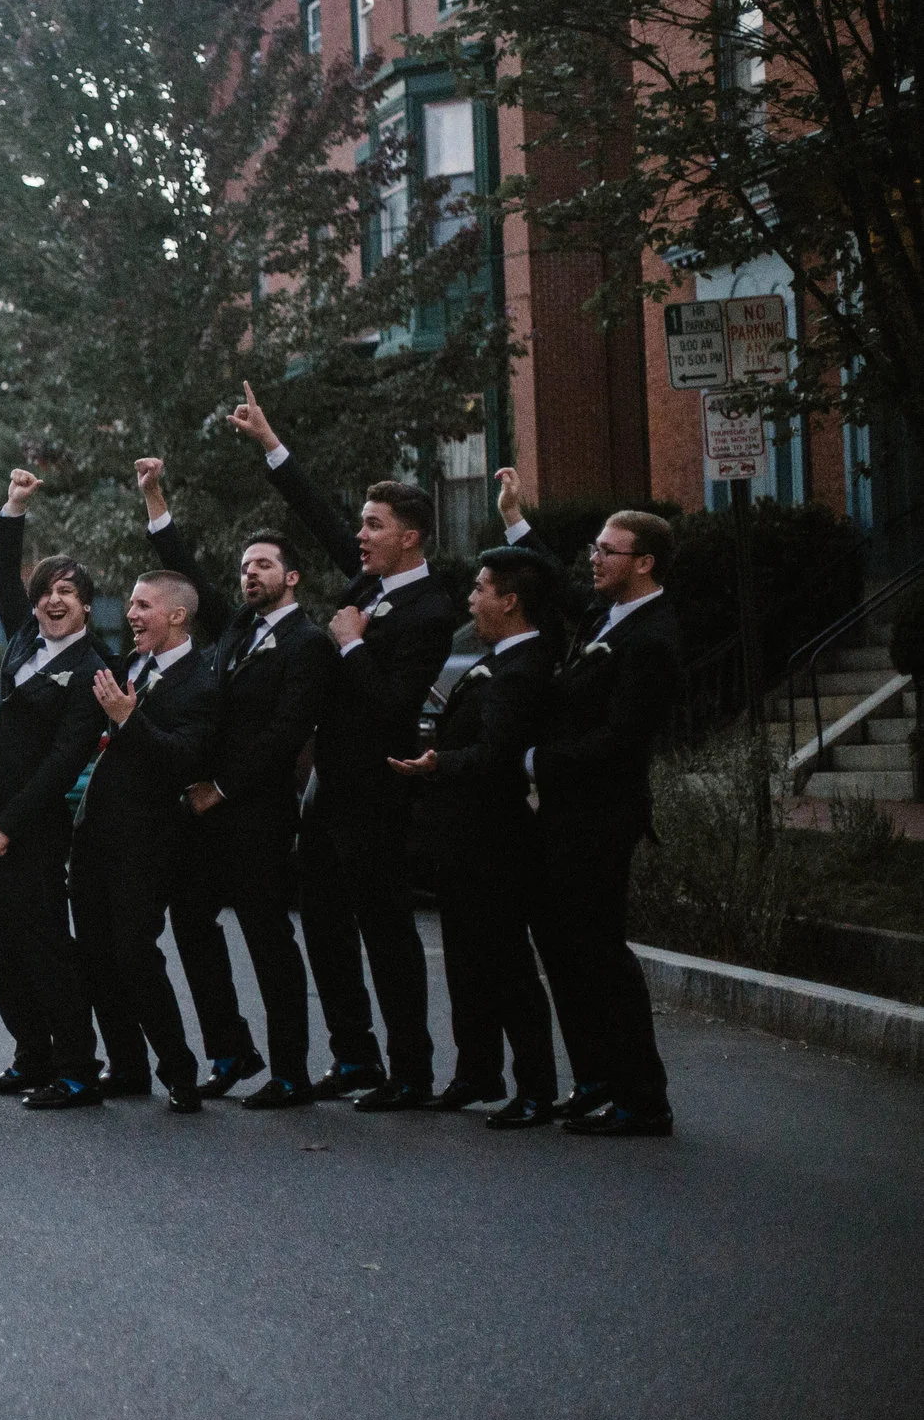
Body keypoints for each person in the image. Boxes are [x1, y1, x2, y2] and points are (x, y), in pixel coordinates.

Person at [232, 382, 454, 1110]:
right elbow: (320, 518)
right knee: (325, 926)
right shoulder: (373, 582)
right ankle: (353, 1055)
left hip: (380, 791)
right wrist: (271, 443)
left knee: (386, 934)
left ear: (410, 533)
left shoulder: (429, 608)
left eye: (374, 524)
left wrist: (353, 646)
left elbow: (395, 704)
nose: (360, 534)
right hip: (331, 789)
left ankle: (411, 1071)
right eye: (362, 523)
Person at [139, 456, 335, 1110]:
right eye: (246, 565)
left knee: (267, 936)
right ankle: (230, 1048)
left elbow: (287, 731)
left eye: (264, 565)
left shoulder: (307, 643)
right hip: (208, 811)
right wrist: (155, 499)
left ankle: (291, 1072)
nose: (251, 572)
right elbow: (187, 576)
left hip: (257, 810)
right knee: (190, 918)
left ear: (292, 576)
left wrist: (222, 786)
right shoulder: (236, 629)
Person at [498, 481, 681, 1137]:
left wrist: (535, 761)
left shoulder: (652, 639)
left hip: (603, 816)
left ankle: (642, 1095)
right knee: (566, 949)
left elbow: (620, 739)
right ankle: (598, 1077)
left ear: (644, 563)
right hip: (566, 815)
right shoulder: (608, 614)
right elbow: (562, 587)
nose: (595, 559)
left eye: (608, 550)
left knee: (601, 952)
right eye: (596, 547)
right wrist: (517, 522)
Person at [0, 468, 116, 1110]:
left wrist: (8, 826)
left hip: (30, 828)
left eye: (67, 593)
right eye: (46, 590)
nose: (53, 601)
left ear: (85, 605)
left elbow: (64, 762)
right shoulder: (24, 638)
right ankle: (31, 1055)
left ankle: (78, 1068)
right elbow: (0, 575)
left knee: (45, 947)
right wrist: (12, 509)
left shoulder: (91, 669)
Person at [388, 543, 562, 1128]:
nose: (471, 598)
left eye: (482, 589)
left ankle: (536, 1087)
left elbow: (498, 755)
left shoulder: (525, 666)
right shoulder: (496, 659)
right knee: (465, 962)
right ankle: (477, 1070)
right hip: (461, 838)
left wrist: (439, 765)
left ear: (510, 601)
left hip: (496, 839)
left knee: (507, 965)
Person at [72, 572, 222, 1114]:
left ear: (177, 615)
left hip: (148, 841)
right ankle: (127, 1066)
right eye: (132, 605)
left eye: (143, 606)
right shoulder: (127, 664)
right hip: (94, 836)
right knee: (94, 955)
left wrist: (129, 719)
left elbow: (181, 761)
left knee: (135, 954)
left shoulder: (201, 684)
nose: (131, 615)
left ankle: (179, 1072)